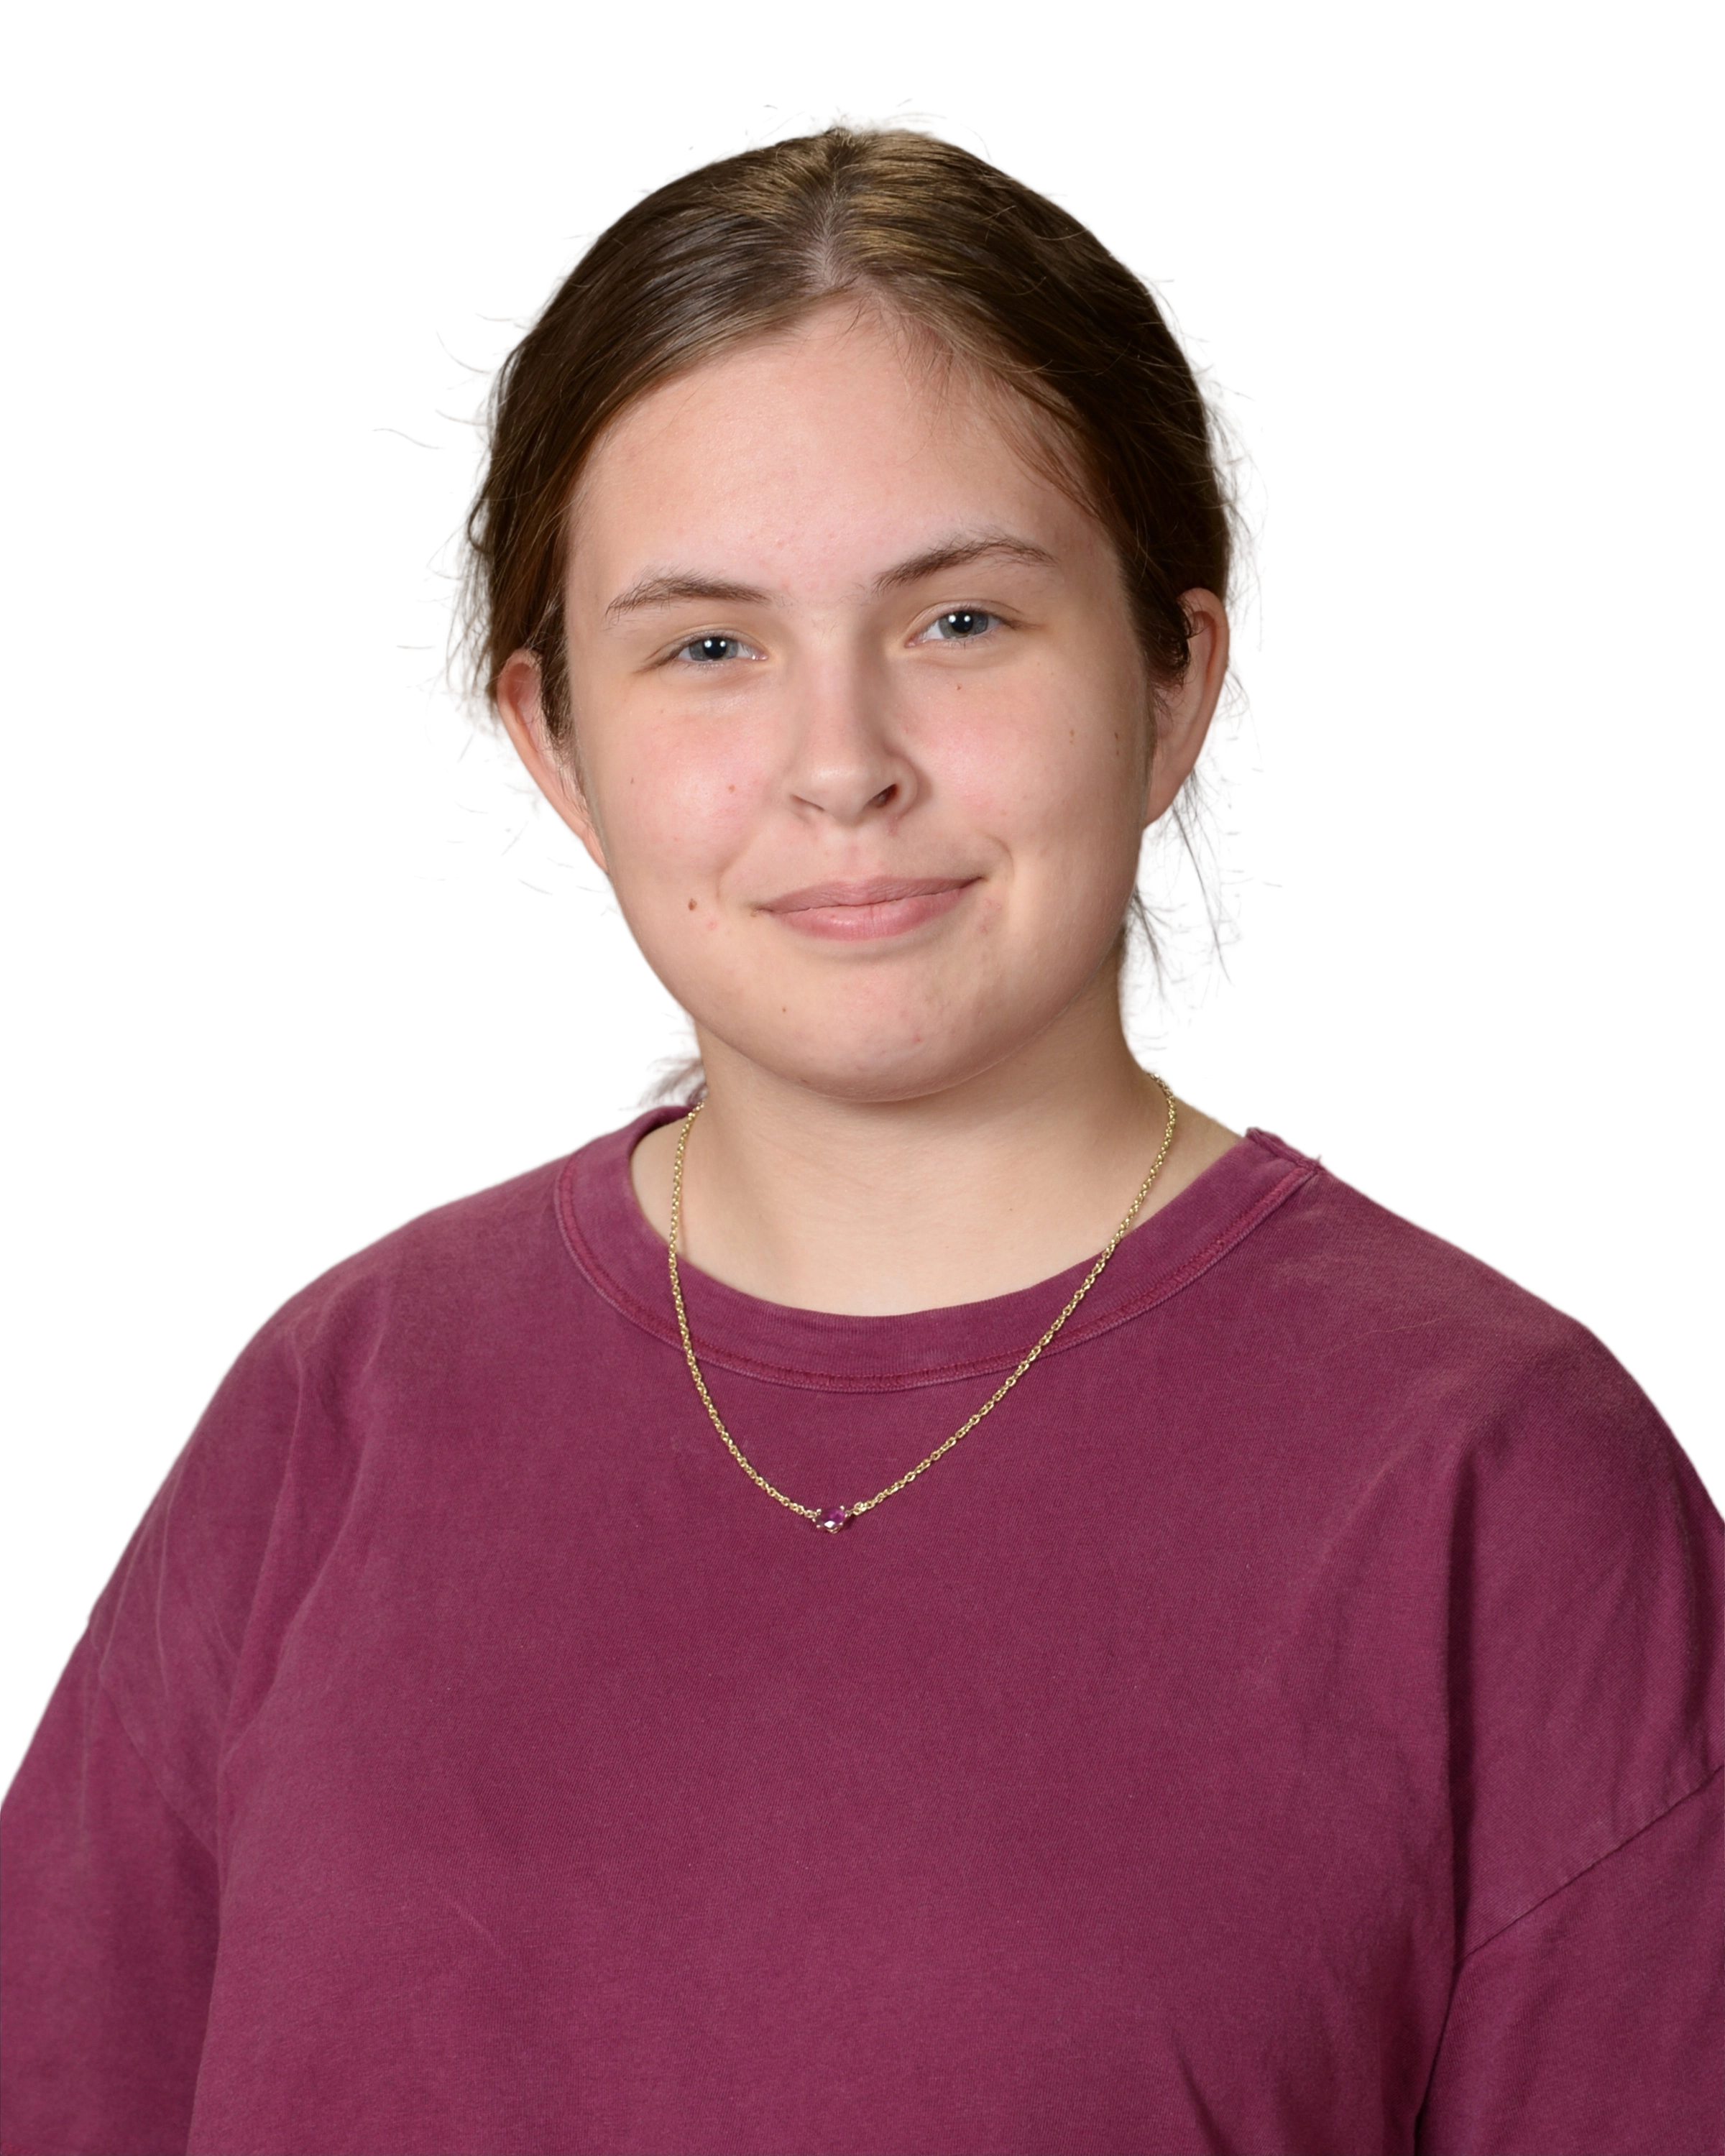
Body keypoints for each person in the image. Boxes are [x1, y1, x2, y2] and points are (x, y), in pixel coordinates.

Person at [2, 103, 1719, 2156]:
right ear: (554, 743)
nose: (841, 765)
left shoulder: (1500, 1480)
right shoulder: (334, 1402)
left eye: (961, 621)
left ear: (1174, 684)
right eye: (709, 646)